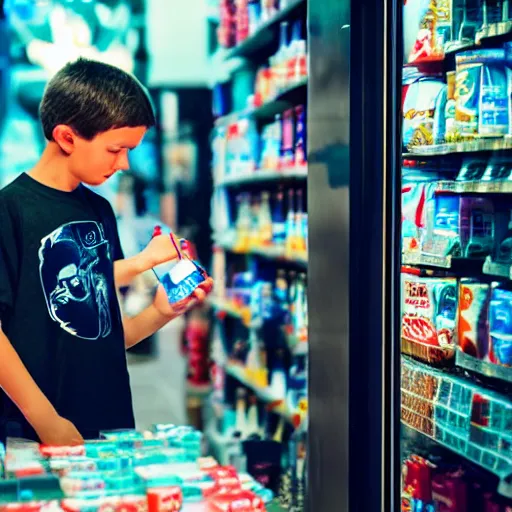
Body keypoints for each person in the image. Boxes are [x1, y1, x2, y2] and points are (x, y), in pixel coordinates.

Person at [0, 58, 213, 447]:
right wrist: (47, 421)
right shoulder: (9, 212)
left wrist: (162, 311)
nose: (126, 163)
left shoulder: (99, 211)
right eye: (116, 149)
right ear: (66, 137)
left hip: (109, 429)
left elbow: (102, 336)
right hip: (32, 437)